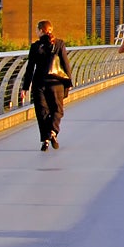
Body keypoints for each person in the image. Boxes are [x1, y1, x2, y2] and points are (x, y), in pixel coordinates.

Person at [22, 20, 72, 151]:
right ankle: (53, 132)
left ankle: (45, 140)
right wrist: (69, 83)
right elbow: (66, 65)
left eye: (36, 30)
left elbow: (30, 68)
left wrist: (25, 87)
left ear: (41, 31)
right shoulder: (59, 44)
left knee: (42, 112)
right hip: (56, 84)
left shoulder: (35, 47)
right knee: (57, 110)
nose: (35, 32)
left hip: (39, 83)